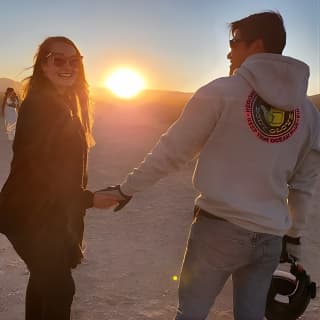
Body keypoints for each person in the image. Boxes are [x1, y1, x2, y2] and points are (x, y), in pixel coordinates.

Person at [94, 11, 320, 320]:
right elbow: (304, 183)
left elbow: (172, 152)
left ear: (256, 45)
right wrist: (292, 236)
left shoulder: (220, 92)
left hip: (218, 230)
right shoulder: (308, 113)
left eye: (234, 41)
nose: (229, 51)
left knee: (191, 313)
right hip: (269, 236)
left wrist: (126, 189)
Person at [0, 36, 117, 320]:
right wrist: (88, 199)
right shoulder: (42, 106)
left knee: (44, 283)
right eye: (58, 60)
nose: (68, 66)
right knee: (60, 289)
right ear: (43, 64)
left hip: (44, 215)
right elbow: (41, 172)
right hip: (29, 215)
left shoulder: (62, 102)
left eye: (74, 61)